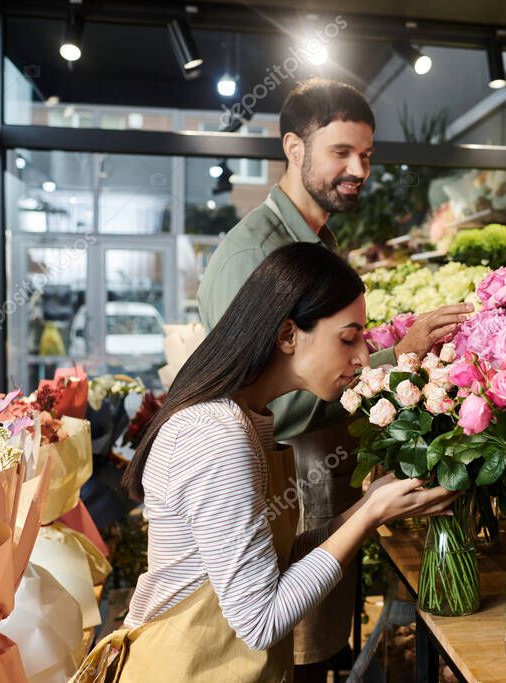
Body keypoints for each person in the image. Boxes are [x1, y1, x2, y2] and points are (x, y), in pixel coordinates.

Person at [73, 243, 458, 683]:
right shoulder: (216, 436)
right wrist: (369, 516)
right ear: (288, 334)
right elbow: (261, 620)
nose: (363, 358)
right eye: (348, 338)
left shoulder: (251, 417)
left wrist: (367, 503)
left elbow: (272, 563)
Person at [197, 77, 469, 677]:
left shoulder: (318, 237)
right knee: (290, 658)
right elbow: (261, 402)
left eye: (367, 156)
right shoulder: (255, 256)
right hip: (285, 487)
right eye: (341, 152)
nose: (360, 169)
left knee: (317, 654)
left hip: (325, 489)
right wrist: (391, 359)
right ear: (294, 148)